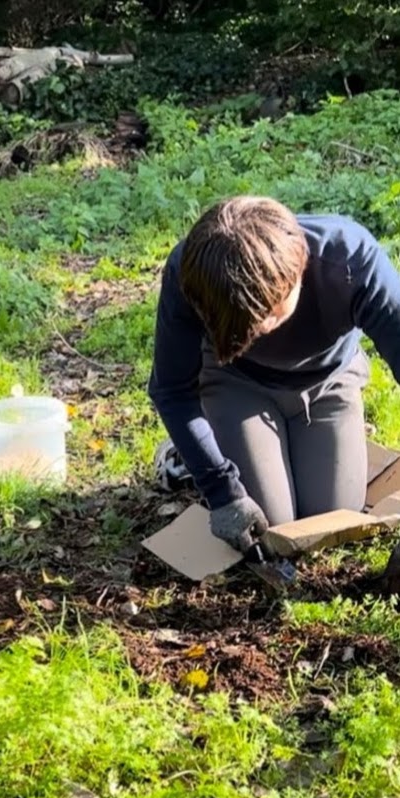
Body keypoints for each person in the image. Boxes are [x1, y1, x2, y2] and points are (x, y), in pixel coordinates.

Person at [147, 195, 400, 552]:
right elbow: (172, 390)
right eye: (245, 328)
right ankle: (189, 453)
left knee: (329, 521)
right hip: (236, 382)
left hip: (328, 382)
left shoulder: (350, 261)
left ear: (299, 273)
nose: (262, 330)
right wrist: (222, 491)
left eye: (269, 316)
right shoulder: (191, 272)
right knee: (271, 528)